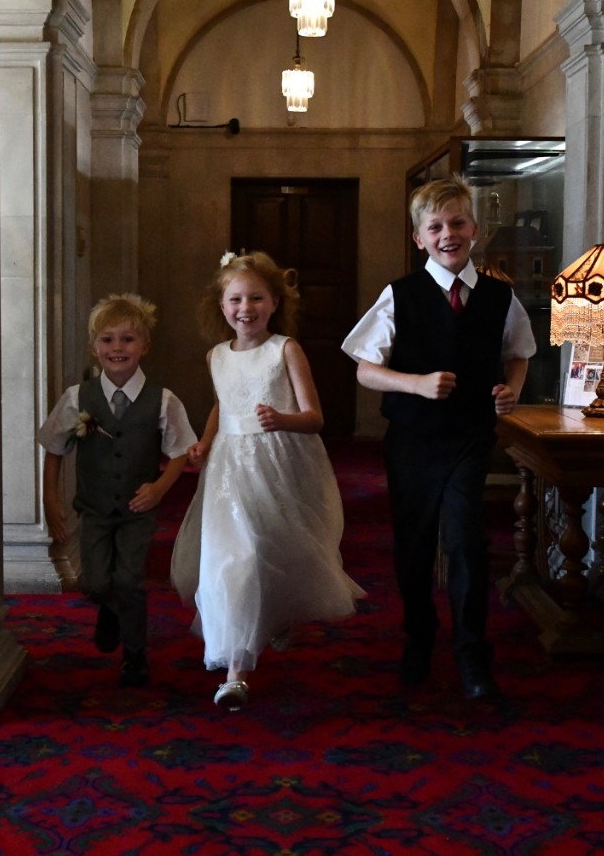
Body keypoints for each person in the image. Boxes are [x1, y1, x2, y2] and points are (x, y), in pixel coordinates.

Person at [342, 175, 536, 700]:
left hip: (470, 438)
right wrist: (415, 383)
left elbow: (519, 351)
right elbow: (365, 368)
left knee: (467, 543)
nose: (447, 233)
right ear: (419, 238)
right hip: (412, 440)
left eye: (457, 223)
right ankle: (419, 638)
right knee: (414, 544)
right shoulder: (399, 295)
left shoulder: (499, 296)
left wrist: (510, 389)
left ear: (474, 229)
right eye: (435, 226)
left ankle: (473, 653)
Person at [174, 250, 364, 711]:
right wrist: (204, 441)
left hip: (278, 463)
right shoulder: (216, 355)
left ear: (275, 301)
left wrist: (281, 419)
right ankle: (236, 671)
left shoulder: (286, 350)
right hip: (227, 470)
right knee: (232, 559)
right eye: (236, 299)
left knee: (272, 549)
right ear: (221, 307)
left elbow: (315, 417)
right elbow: (223, 404)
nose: (246, 308)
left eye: (256, 297)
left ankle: (275, 611)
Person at [38, 292, 197, 688]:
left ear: (144, 345)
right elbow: (54, 450)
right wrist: (51, 502)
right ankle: (110, 610)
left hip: (137, 509)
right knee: (93, 582)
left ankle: (135, 653)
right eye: (107, 339)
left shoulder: (164, 400)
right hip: (92, 508)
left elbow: (180, 453)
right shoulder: (79, 397)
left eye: (127, 339)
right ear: (94, 348)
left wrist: (159, 489)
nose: (117, 348)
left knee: (129, 580)